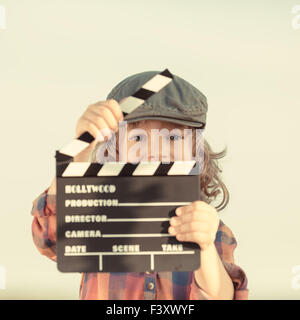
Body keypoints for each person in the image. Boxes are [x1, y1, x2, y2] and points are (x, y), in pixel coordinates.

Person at [31, 70, 249, 300]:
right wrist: (82, 146)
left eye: (173, 138)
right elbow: (49, 238)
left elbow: (225, 296)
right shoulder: (98, 217)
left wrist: (204, 249)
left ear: (196, 153)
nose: (155, 152)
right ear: (114, 152)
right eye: (137, 139)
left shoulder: (211, 229)